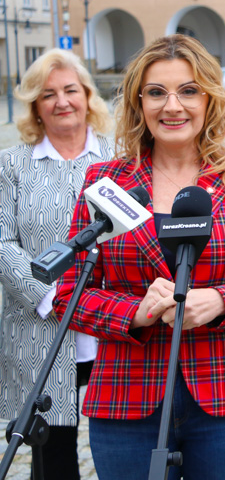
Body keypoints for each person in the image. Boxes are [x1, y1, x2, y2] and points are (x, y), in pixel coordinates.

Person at [53, 35, 225, 480]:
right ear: (137, 102)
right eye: (156, 92)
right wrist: (136, 312)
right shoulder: (106, 181)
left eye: (188, 90)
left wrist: (221, 302)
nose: (173, 106)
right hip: (127, 396)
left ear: (209, 99)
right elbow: (69, 296)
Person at [0, 49, 112, 480]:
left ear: (87, 97)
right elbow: (4, 241)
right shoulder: (12, 164)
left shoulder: (118, 158)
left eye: (71, 90)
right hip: (39, 324)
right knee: (51, 452)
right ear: (35, 106)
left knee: (122, 439)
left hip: (111, 323)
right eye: (49, 94)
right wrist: (51, 296)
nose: (62, 101)